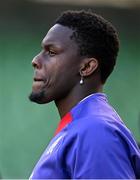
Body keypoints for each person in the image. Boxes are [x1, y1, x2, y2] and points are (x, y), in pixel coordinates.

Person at [29, 10, 140, 179]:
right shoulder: (81, 126)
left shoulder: (95, 130)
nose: (35, 60)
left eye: (51, 52)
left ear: (86, 67)